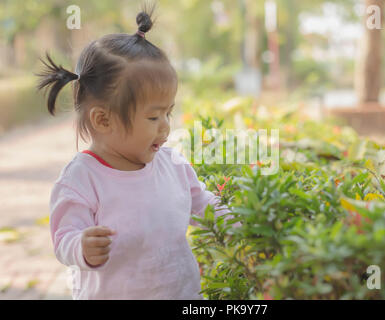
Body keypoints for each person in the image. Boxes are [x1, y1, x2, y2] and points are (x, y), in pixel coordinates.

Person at [36, 5, 236, 300]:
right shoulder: (82, 178)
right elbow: (64, 238)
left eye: (169, 112)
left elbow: (202, 202)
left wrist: (238, 219)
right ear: (103, 120)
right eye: (154, 117)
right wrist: (81, 245)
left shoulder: (173, 164)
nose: (166, 127)